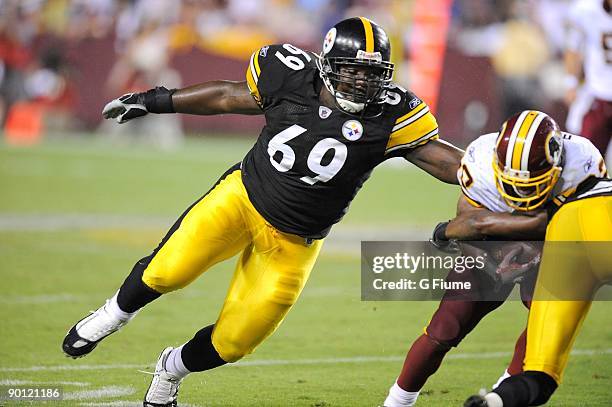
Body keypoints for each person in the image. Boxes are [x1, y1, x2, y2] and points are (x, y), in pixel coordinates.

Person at [61, 17, 464, 406]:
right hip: (243, 199)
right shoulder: (288, 75)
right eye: (352, 71)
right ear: (326, 65)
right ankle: (113, 314)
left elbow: (444, 162)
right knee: (167, 269)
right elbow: (226, 95)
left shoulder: (392, 113)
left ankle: (171, 368)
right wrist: (155, 100)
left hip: (296, 241)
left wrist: (494, 178)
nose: (362, 82)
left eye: (372, 74)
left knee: (235, 342)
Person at [382, 111, 561, 407]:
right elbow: (468, 225)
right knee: (444, 329)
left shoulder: (581, 164)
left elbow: (578, 227)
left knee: (546, 324)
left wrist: (540, 247)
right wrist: (491, 261)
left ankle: (503, 393)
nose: (521, 189)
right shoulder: (480, 162)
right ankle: (396, 403)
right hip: (490, 246)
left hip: (551, 247)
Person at [457, 112, 611, 407]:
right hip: (585, 222)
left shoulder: (580, 157)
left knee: (540, 376)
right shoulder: (484, 162)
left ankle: (493, 402)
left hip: (563, 237)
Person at [563, 0, 612, 158]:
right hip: (598, 92)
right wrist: (571, 83)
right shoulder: (585, 10)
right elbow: (573, 49)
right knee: (585, 158)